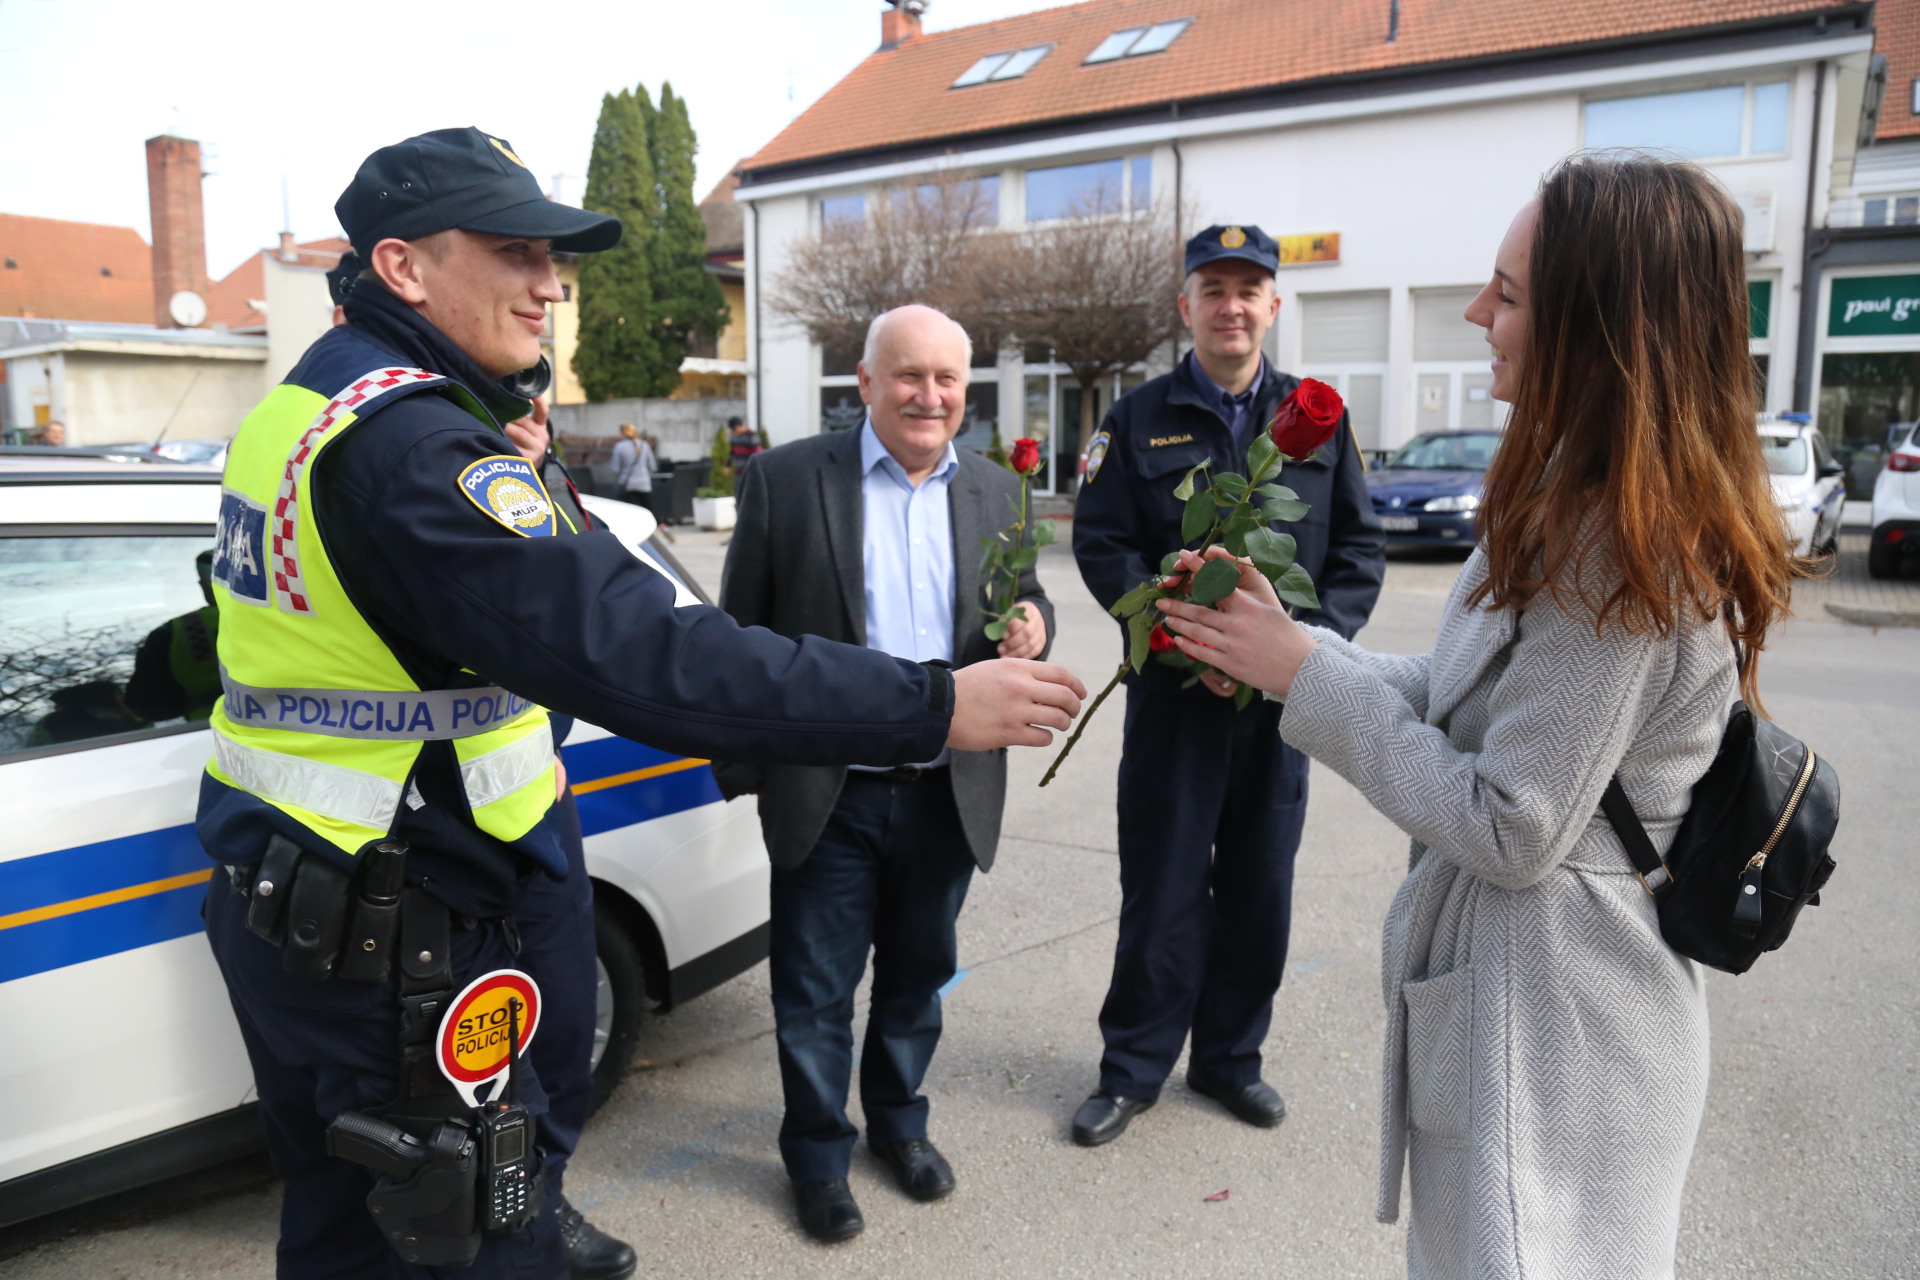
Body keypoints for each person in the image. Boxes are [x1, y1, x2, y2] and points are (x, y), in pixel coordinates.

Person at [197, 127, 1085, 1280]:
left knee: (356, 1201)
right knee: (447, 1230)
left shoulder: (319, 405)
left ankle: (532, 1213)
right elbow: (651, 652)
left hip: (346, 879)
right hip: (404, 903)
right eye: (513, 251)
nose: (549, 283)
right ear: (405, 268)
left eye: (550, 257)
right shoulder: (414, 448)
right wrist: (928, 705)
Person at [1154, 156, 1791, 1278]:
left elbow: (1512, 821)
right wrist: (1294, 652)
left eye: (1510, 291)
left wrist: (1307, 679)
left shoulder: (1623, 543)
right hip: (1530, 1011)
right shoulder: (1578, 496)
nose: (1477, 313)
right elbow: (1465, 701)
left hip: (1556, 1037)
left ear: (1600, 324)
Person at [712, 305, 1053, 1244]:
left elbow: (1025, 600)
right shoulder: (785, 482)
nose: (929, 396)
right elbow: (739, 636)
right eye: (909, 376)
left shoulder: (996, 493)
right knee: (813, 990)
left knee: (916, 978)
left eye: (947, 380)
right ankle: (818, 1156)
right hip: (831, 791)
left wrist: (1031, 624)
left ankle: (899, 1125)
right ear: (864, 383)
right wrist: (747, 772)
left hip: (947, 788)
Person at [1068, 224, 1384, 1147]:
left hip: (1280, 709)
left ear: (1273, 305)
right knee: (1161, 889)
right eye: (1214, 288)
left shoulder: (1320, 416)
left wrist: (1306, 652)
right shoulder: (1136, 417)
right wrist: (1175, 635)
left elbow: (1358, 553)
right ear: (1187, 307)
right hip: (1173, 699)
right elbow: (1102, 544)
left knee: (1258, 889)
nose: (1232, 305)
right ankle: (1132, 1069)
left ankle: (1229, 1062)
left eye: (1250, 289)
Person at [125, 549, 222, 724]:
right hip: (283, 730)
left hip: (208, 732)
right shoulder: (282, 617)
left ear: (203, 585)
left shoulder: (174, 632)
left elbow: (148, 706)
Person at [609, 423, 654, 505]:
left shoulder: (619, 446)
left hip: (627, 484)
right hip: (644, 483)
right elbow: (652, 466)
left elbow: (615, 468)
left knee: (632, 509)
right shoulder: (644, 445)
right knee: (647, 509)